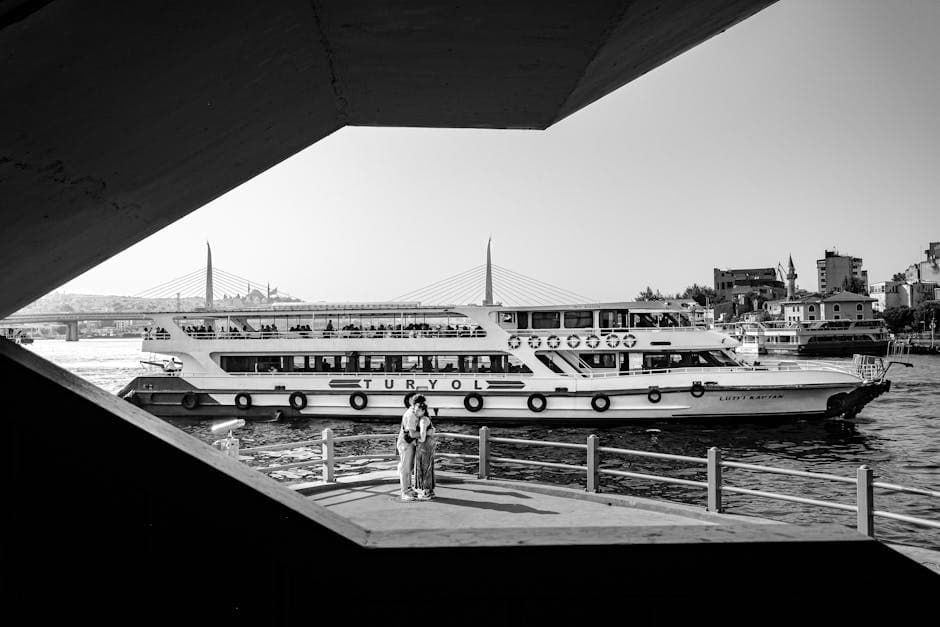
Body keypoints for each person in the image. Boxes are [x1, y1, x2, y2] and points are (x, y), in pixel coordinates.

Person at [396, 395, 425, 501]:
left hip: (409, 444)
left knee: (409, 468)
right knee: (405, 468)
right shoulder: (410, 415)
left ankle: (409, 488)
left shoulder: (414, 413)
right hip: (405, 444)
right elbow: (412, 434)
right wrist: (424, 434)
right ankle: (404, 492)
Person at [413, 400, 436, 500]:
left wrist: (415, 440)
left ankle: (426, 492)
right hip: (429, 444)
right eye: (415, 410)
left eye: (418, 410)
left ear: (423, 411)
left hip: (424, 446)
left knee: (424, 467)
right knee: (429, 467)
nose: (416, 412)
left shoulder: (422, 420)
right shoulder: (427, 419)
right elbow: (431, 430)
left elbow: (422, 436)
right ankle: (430, 491)